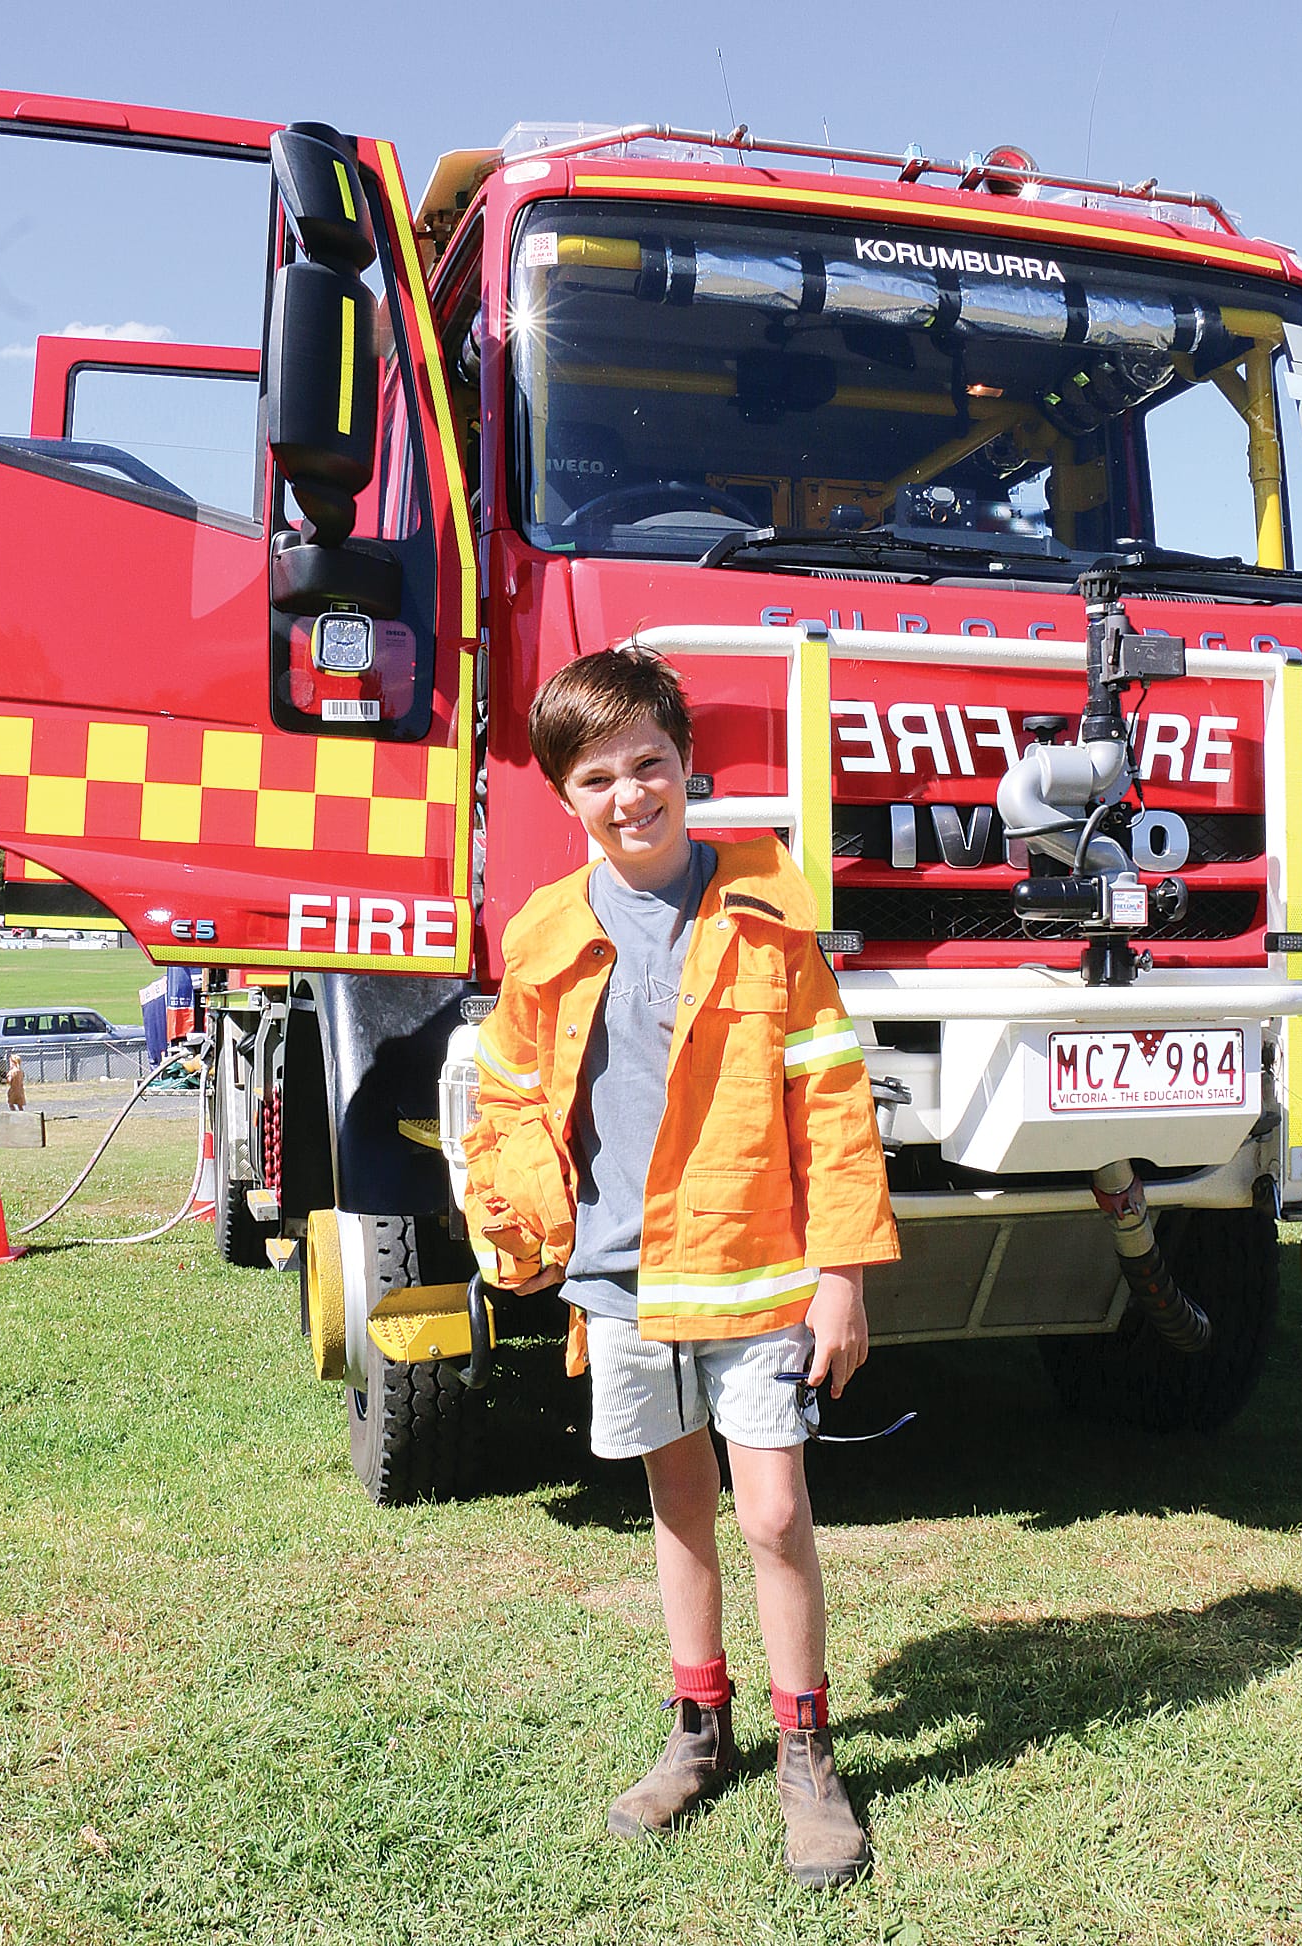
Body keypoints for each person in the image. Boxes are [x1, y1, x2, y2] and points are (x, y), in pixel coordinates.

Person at [463, 648, 898, 1888]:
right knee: (678, 1505)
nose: (629, 794)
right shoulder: (545, 935)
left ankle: (807, 1752)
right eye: (597, 777)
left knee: (773, 1512)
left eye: (648, 763)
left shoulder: (770, 919)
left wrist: (843, 1275)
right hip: (621, 1282)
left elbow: (833, 1106)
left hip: (756, 1272)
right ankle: (699, 1728)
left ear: (688, 763)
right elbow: (506, 1095)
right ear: (565, 796)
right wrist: (511, 1213)